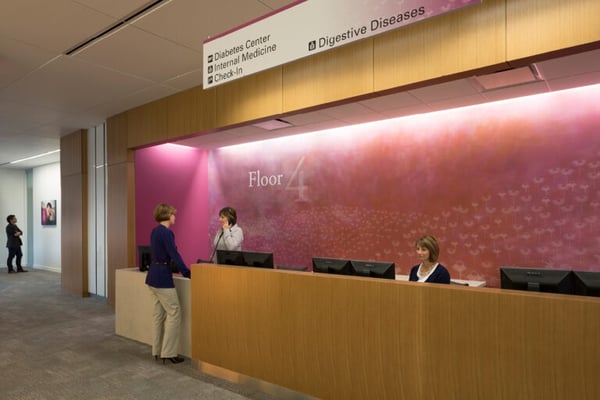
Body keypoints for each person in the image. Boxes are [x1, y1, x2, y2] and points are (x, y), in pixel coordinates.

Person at [145, 204, 191, 364]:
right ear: (167, 215)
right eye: (173, 214)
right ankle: (169, 352)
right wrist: (187, 272)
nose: (175, 217)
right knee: (175, 312)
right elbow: (174, 254)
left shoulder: (155, 231)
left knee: (158, 315)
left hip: (152, 277)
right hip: (163, 278)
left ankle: (156, 351)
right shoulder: (167, 233)